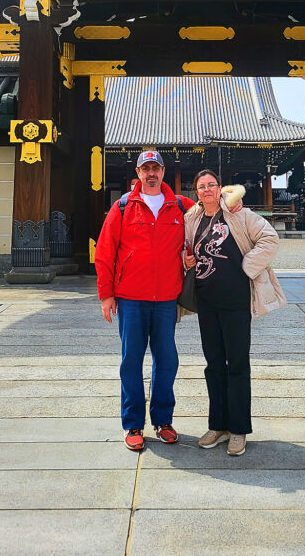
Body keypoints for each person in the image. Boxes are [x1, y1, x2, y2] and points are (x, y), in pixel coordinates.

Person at [94, 149, 194, 453]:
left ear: (163, 172)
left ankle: (163, 421)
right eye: (145, 168)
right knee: (131, 362)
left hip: (166, 299)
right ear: (138, 173)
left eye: (156, 168)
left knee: (167, 361)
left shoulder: (180, 205)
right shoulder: (123, 206)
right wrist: (106, 294)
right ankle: (133, 424)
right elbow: (105, 252)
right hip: (130, 297)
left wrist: (233, 200)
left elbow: (212, 209)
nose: (151, 173)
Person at [183, 170, 287, 457]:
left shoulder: (241, 215)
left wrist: (247, 266)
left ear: (220, 189)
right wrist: (186, 258)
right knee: (213, 363)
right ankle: (218, 425)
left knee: (238, 364)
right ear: (196, 191)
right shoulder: (191, 218)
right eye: (201, 186)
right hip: (207, 301)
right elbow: (184, 248)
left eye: (211, 185)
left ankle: (239, 429)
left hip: (236, 301)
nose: (206, 190)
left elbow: (269, 238)